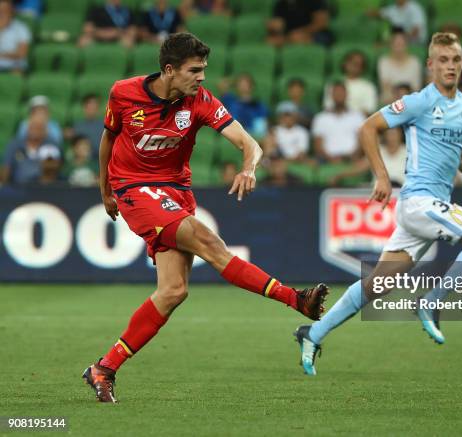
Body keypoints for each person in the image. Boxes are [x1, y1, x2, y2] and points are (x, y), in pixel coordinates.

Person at [82, 33, 329, 403]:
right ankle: (295, 300)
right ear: (169, 70)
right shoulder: (123, 93)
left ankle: (104, 367)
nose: (201, 77)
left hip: (177, 192)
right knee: (210, 242)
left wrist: (249, 167)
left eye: (204, 70)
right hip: (134, 188)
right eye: (194, 70)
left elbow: (250, 143)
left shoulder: (200, 101)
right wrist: (105, 191)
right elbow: (108, 139)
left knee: (174, 291)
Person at [293, 32, 462, 375]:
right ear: (430, 65)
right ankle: (431, 302)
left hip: (433, 206)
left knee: (380, 283)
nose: (450, 66)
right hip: (419, 202)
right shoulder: (419, 102)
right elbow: (367, 128)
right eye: (443, 60)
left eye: (455, 60)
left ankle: (313, 333)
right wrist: (381, 176)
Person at [312, 81, 365, 163]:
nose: (339, 95)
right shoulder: (320, 118)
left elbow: (362, 142)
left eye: (341, 93)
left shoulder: (358, 117)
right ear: (331, 95)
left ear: (347, 94)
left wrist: (352, 157)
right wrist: (331, 159)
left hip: (352, 160)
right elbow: (318, 146)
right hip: (327, 161)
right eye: (336, 93)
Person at [1, 114, 61, 185]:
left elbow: (55, 169)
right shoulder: (14, 145)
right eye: (32, 127)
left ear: (45, 131)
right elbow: (6, 168)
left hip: (42, 188)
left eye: (38, 127)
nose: (34, 130)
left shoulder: (52, 146)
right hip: (17, 188)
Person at [323, 50, 378, 115]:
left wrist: (350, 118)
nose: (354, 66)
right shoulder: (333, 84)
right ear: (344, 63)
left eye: (358, 64)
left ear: (363, 67)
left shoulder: (368, 86)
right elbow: (328, 107)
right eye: (352, 62)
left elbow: (369, 111)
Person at [377, 29, 422, 104]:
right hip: (390, 99)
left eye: (401, 44)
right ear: (390, 44)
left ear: (406, 44)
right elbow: (385, 87)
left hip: (410, 98)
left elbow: (416, 87)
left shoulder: (415, 62)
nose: (399, 47)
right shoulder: (383, 61)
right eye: (396, 44)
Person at [220, 73, 269, 139]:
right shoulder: (230, 101)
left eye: (246, 84)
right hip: (232, 134)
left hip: (251, 136)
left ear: (252, 86)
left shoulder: (258, 106)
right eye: (240, 83)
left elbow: (260, 128)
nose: (243, 86)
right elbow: (222, 87)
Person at [267, 0, 333, 47]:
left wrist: (303, 33)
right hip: (289, 36)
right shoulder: (280, 4)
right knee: (270, 41)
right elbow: (278, 25)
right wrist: (274, 28)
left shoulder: (315, 1)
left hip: (315, 34)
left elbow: (321, 24)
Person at [0, 0, 31, 73]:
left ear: (11, 11)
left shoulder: (21, 28)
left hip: (14, 65)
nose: (2, 14)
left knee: (17, 71)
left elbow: (22, 53)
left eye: (5, 10)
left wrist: (2, 55)